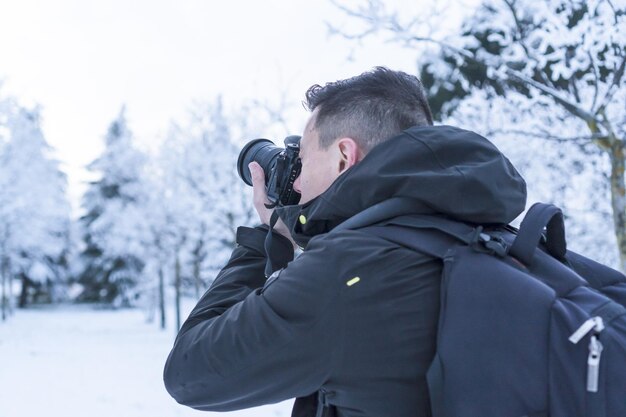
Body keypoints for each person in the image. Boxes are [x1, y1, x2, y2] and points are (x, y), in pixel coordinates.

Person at [163, 67, 527, 417]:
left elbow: (189, 373)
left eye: (303, 161)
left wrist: (268, 238)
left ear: (343, 157)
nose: (298, 184)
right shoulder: (507, 245)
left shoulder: (348, 274)